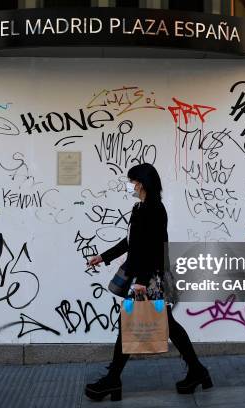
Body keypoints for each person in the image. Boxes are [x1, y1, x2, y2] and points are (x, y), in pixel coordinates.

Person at [84, 163, 213, 402]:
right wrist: (103, 257)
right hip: (146, 275)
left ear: (141, 183)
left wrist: (142, 281)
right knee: (166, 324)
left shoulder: (154, 209)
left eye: (132, 181)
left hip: (149, 277)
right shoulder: (140, 207)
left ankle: (113, 380)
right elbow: (131, 241)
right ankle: (197, 371)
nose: (130, 185)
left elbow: (154, 249)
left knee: (131, 323)